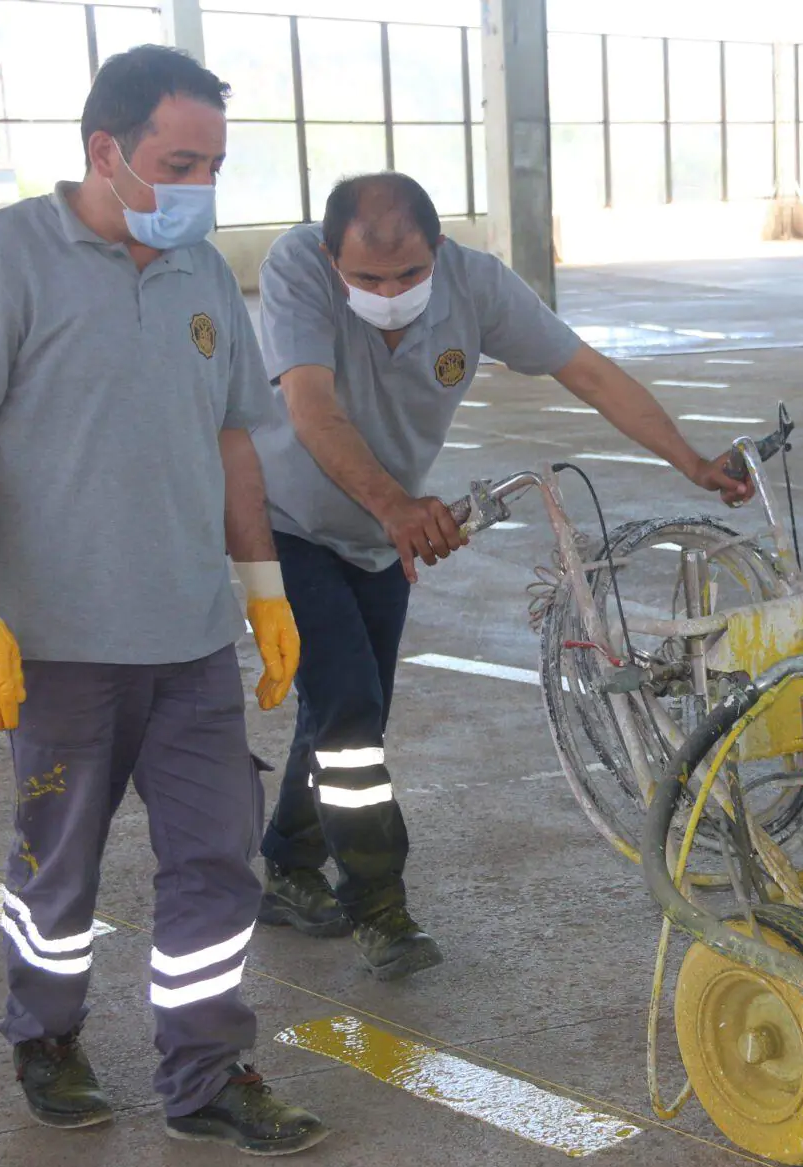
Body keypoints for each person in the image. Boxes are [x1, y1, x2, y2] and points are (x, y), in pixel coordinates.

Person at [0, 45, 326, 1154]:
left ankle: (206, 1073)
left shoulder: (199, 274)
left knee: (216, 866)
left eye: (214, 165)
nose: (199, 187)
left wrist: (263, 589)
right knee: (60, 864)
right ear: (106, 149)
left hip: (191, 642)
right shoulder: (1, 258)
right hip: (55, 649)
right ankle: (45, 1037)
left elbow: (233, 437)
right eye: (179, 161)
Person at [249, 171, 750, 975]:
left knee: (348, 710)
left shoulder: (477, 285)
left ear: (439, 250)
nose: (388, 293)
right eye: (367, 279)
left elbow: (587, 372)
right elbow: (312, 407)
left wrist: (691, 460)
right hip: (285, 524)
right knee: (346, 707)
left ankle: (288, 859)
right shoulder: (295, 271)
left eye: (409, 274)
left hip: (383, 538)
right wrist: (395, 504)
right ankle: (378, 903)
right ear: (329, 255)